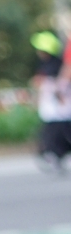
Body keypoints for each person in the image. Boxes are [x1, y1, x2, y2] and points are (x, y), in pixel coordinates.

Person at [31, 31, 71, 172]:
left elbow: (62, 79)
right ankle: (52, 153)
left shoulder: (55, 65)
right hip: (53, 107)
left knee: (58, 130)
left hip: (58, 107)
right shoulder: (46, 64)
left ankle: (55, 153)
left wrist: (59, 89)